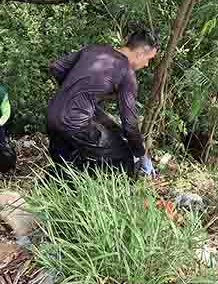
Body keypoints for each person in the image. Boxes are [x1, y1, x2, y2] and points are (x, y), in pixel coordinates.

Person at [46, 30, 158, 176]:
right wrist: (141, 155)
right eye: (148, 59)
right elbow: (130, 124)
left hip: (52, 116)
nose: (147, 64)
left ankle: (56, 184)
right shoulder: (126, 73)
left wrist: (75, 92)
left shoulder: (94, 50)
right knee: (124, 157)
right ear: (139, 54)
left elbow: (56, 67)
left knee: (66, 166)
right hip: (76, 124)